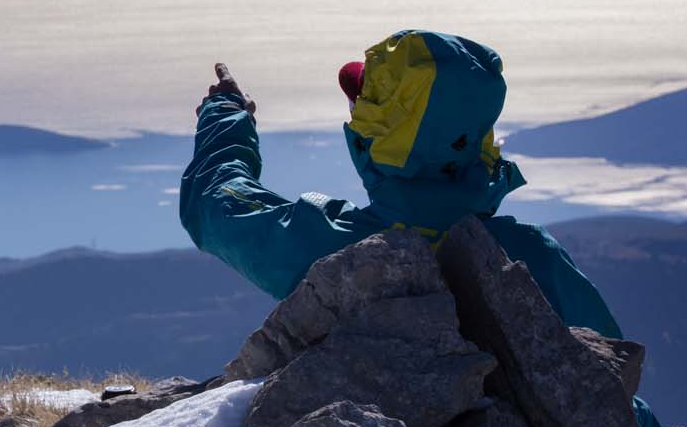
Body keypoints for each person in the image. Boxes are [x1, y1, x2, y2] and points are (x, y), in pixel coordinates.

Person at [181, 29, 634, 343]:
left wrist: (226, 113)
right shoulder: (533, 254)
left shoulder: (339, 248)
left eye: (360, 107)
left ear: (376, 140)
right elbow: (612, 376)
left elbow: (216, 206)